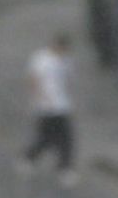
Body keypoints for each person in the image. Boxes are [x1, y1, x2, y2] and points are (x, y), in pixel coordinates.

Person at [20, 33, 77, 185]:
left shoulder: (66, 60)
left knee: (66, 139)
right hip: (46, 107)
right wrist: (41, 97)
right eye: (61, 48)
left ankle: (65, 169)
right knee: (46, 138)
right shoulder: (41, 59)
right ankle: (29, 158)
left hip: (62, 106)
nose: (63, 52)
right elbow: (32, 79)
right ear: (55, 45)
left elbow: (68, 80)